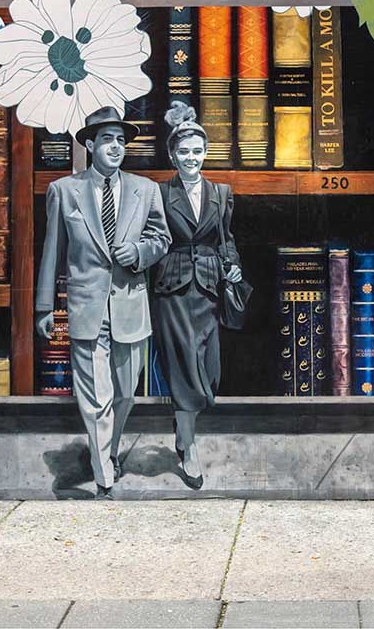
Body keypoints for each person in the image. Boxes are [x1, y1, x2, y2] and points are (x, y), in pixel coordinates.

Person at [36, 107, 172, 497]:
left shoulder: (146, 190)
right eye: (109, 139)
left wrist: (140, 252)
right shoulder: (65, 191)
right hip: (86, 309)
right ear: (90, 144)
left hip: (130, 306)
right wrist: (45, 307)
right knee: (97, 397)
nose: (117, 147)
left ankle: (106, 452)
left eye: (122, 141)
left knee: (125, 393)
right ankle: (103, 473)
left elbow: (161, 239)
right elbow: (52, 252)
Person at [150, 102, 244, 490]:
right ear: (172, 155)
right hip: (171, 287)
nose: (191, 158)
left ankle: (182, 425)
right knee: (184, 364)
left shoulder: (221, 193)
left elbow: (227, 239)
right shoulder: (159, 193)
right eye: (183, 152)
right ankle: (188, 448)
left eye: (197, 152)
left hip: (209, 286)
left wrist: (233, 265)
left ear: (206, 153)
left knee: (209, 369)